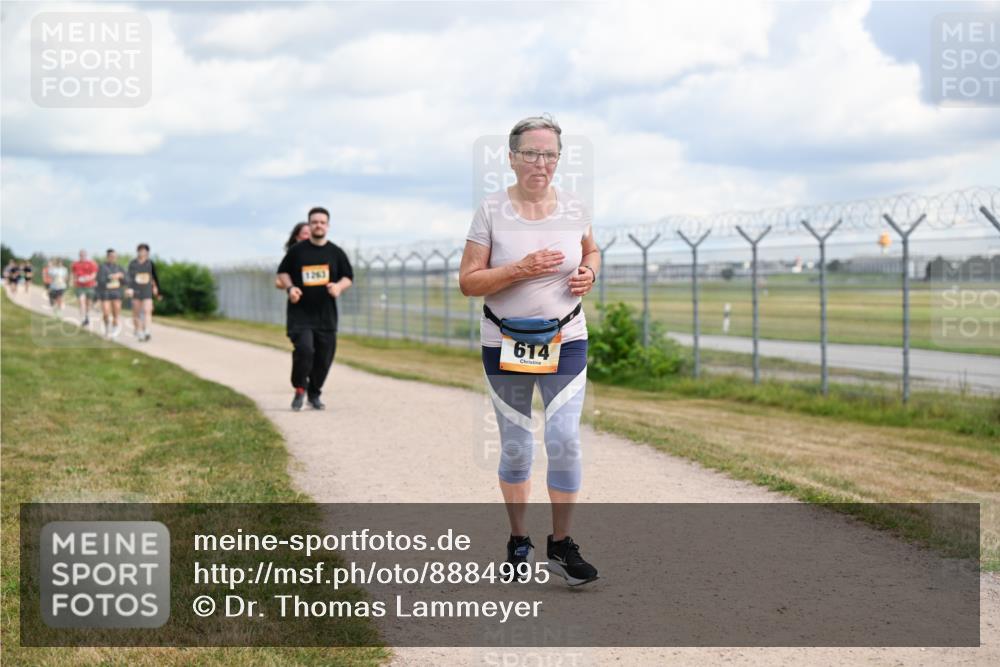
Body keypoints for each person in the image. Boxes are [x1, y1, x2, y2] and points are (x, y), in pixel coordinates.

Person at [458, 114, 600, 586]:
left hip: (566, 337)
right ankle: (519, 540)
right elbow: (469, 282)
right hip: (505, 341)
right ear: (512, 157)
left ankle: (561, 544)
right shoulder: (491, 211)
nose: (542, 162)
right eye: (532, 153)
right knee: (517, 446)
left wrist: (590, 273)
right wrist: (520, 269)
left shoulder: (575, 207)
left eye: (551, 154)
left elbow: (591, 251)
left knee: (564, 438)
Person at [276, 207, 354, 411]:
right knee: (305, 350)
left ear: (328, 226)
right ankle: (300, 388)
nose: (318, 225)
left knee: (324, 357)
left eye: (322, 222)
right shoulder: (297, 251)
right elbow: (282, 273)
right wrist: (291, 288)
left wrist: (338, 287)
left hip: (326, 316)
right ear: (309, 225)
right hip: (300, 314)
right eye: (314, 222)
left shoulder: (335, 252)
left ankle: (314, 392)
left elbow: (348, 277)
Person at [126, 243, 159, 342]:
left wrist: (155, 287)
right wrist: (129, 288)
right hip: (136, 290)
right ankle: (139, 331)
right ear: (138, 252)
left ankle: (147, 331)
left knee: (147, 310)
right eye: (140, 250)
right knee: (136, 312)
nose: (142, 252)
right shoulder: (133, 263)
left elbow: (153, 276)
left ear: (147, 252)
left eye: (144, 251)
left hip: (147, 290)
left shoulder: (150, 263)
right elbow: (129, 277)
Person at [96, 249, 127, 338]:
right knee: (106, 313)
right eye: (111, 256)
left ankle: (114, 331)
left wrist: (121, 277)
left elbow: (126, 281)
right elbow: (100, 280)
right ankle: (106, 328)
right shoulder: (102, 267)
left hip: (116, 293)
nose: (113, 258)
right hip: (105, 293)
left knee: (116, 314)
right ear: (107, 257)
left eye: (115, 256)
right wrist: (111, 277)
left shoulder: (120, 268)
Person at [274, 222, 311, 289]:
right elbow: (278, 283)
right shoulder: (291, 257)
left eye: (311, 233)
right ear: (297, 237)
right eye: (305, 233)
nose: (309, 236)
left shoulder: (323, 254)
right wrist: (293, 284)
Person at [71, 250, 99, 326]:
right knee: (81, 301)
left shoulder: (91, 263)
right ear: (79, 255)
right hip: (79, 286)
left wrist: (88, 278)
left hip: (89, 286)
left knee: (88, 303)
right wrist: (73, 281)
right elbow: (73, 274)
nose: (82, 256)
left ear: (86, 255)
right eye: (81, 255)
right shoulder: (75, 264)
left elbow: (94, 274)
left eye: (83, 255)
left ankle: (87, 316)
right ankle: (83, 318)